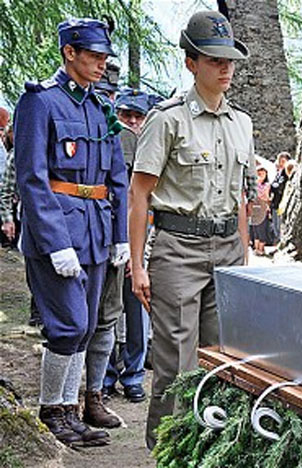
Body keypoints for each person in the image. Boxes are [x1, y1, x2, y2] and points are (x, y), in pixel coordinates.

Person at [128, 11, 254, 449]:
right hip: (177, 249)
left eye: (230, 60)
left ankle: (206, 446)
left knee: (220, 356)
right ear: (190, 63)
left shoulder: (243, 123)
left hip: (227, 248)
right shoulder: (167, 120)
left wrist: (244, 254)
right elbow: (139, 195)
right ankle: (166, 449)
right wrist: (138, 265)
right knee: (175, 362)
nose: (225, 68)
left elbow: (241, 194)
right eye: (213, 59)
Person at [14, 18, 129, 446]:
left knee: (84, 327)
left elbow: (116, 175)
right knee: (67, 325)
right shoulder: (39, 102)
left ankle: (70, 411)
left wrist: (120, 234)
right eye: (95, 56)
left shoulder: (100, 107)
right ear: (70, 53)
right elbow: (31, 178)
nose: (102, 64)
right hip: (58, 232)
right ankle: (50, 411)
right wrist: (55, 241)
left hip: (97, 231)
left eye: (104, 57)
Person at [102, 88, 151, 404]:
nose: (132, 122)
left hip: (144, 244)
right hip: (108, 242)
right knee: (105, 313)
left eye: (137, 116)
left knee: (138, 315)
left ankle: (133, 376)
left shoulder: (155, 148)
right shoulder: (106, 145)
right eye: (125, 115)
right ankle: (104, 376)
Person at [269, 151, 291, 242]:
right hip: (276, 202)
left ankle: (280, 240)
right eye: (280, 161)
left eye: (283, 161)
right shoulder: (279, 173)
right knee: (275, 224)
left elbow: (279, 186)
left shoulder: (286, 174)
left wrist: (271, 186)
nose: (281, 163)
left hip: (282, 202)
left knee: (280, 223)